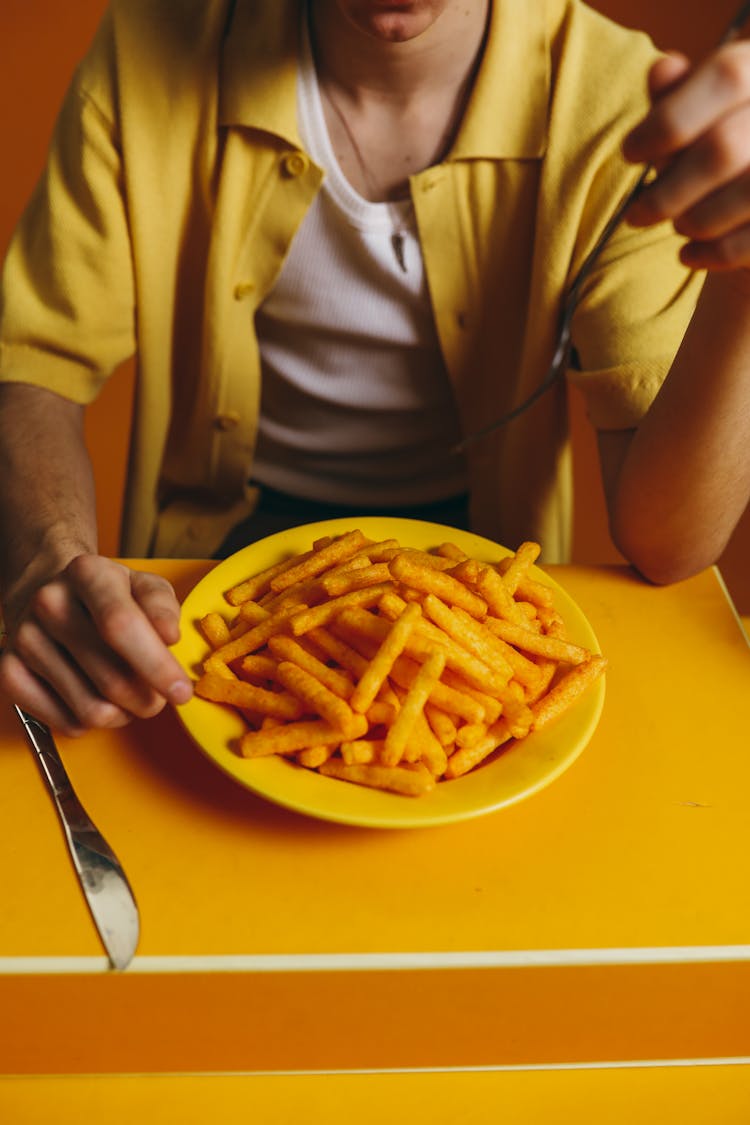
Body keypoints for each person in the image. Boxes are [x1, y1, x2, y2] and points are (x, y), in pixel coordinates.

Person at [0, 0, 749, 736]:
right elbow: (35, 358)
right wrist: (49, 560)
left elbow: (669, 541)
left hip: (480, 595)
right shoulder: (146, 46)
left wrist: (743, 277)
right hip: (204, 574)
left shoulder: (625, 104)